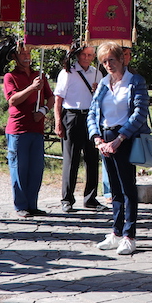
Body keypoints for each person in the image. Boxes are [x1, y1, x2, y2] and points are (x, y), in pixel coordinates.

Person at [87, 41, 150, 256]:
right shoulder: (104, 83)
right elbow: (93, 113)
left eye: (111, 60)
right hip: (105, 139)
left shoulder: (135, 81)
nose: (108, 65)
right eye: (104, 62)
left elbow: (140, 112)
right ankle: (115, 231)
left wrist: (120, 139)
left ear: (122, 59)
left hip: (125, 138)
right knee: (113, 188)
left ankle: (129, 235)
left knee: (127, 188)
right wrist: (97, 138)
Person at [0, 38, 54, 219]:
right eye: (22, 54)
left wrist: (43, 110)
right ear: (14, 56)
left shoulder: (40, 75)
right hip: (18, 129)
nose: (27, 57)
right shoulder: (10, 77)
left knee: (36, 169)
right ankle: (21, 205)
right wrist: (32, 88)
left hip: (37, 128)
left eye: (28, 53)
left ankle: (32, 204)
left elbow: (51, 98)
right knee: (19, 168)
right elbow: (12, 99)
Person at [54, 40, 105, 213]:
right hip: (72, 116)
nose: (87, 58)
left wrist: (98, 90)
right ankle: (67, 199)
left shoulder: (97, 73)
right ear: (77, 55)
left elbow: (102, 98)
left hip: (91, 118)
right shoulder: (67, 72)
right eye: (84, 54)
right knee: (71, 159)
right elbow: (58, 99)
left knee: (92, 159)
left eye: (90, 55)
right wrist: (58, 122)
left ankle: (90, 198)